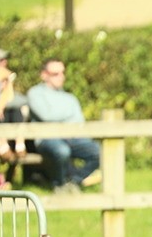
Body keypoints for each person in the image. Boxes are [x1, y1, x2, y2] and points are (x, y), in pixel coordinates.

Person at [27, 59, 101, 194]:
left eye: (62, 73)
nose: (61, 77)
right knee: (62, 151)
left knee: (99, 151)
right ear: (44, 75)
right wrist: (68, 115)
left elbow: (79, 123)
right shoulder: (35, 93)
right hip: (47, 139)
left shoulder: (70, 98)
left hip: (72, 138)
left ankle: (74, 181)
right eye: (55, 74)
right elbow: (46, 115)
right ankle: (59, 184)